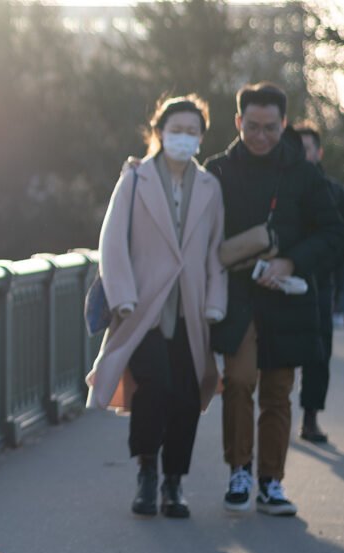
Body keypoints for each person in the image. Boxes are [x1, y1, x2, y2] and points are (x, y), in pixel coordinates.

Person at [205, 83, 344, 515]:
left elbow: (332, 233)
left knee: (278, 392)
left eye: (270, 127)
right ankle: (238, 472)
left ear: (284, 124)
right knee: (240, 381)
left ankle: (271, 482)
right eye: (252, 127)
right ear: (237, 123)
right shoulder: (218, 170)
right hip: (237, 296)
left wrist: (290, 261)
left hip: (286, 298)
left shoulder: (303, 173)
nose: (261, 136)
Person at [87, 95, 228, 518]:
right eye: (176, 129)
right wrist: (123, 295)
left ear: (202, 137)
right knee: (155, 387)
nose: (183, 138)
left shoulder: (210, 187)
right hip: (143, 307)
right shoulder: (135, 179)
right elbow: (112, 242)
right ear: (159, 132)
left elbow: (215, 252)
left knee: (187, 395)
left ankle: (174, 483)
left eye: (191, 131)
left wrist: (215, 303)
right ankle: (148, 470)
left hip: (192, 308)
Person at [290, 122, 342, 444]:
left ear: (318, 152)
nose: (303, 155)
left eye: (308, 149)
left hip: (320, 284)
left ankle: (310, 418)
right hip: (280, 282)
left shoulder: (334, 192)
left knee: (317, 354)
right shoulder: (281, 186)